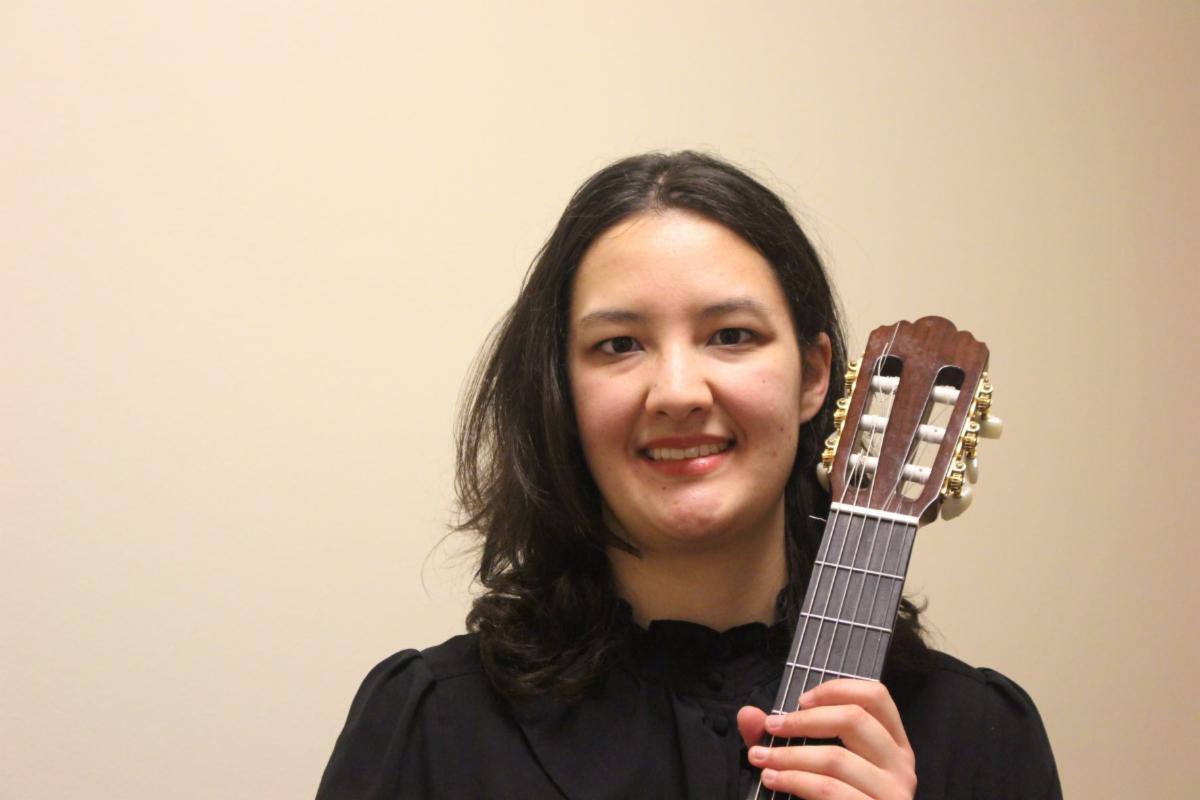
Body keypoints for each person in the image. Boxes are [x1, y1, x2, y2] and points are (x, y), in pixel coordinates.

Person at [316, 152, 1061, 799]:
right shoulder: (431, 728)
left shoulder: (978, 736)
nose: (677, 392)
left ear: (813, 376)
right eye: (618, 345)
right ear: (564, 394)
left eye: (731, 336)